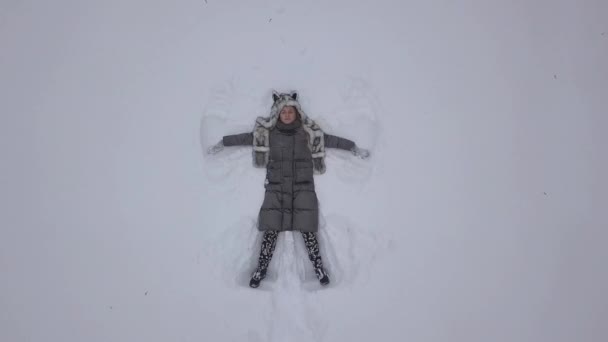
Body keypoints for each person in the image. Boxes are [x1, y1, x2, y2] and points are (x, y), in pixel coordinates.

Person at [207, 91, 370, 288]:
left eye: (290, 111)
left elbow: (331, 140)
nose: (286, 115)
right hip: (276, 190)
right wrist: (223, 142)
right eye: (282, 111)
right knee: (271, 230)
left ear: (297, 113)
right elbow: (245, 138)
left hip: (303, 189)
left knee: (308, 229)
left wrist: (352, 147)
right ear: (277, 113)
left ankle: (318, 267)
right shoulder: (267, 134)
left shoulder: (308, 133)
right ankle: (261, 269)